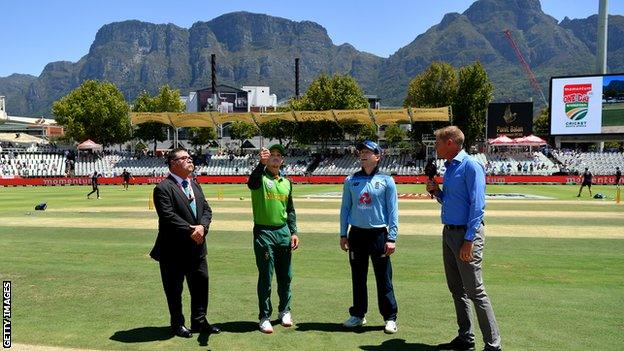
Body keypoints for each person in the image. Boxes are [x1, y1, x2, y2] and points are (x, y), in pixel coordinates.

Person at [426, 126, 502, 351]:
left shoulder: (471, 165)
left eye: (438, 143)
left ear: (450, 142)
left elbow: (478, 206)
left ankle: (493, 345)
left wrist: (469, 240)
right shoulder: (450, 168)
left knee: (475, 291)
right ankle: (466, 337)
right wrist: (437, 192)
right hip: (449, 232)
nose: (436, 147)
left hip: (466, 234)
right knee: (456, 289)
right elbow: (453, 201)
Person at [150, 148, 220, 338]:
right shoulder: (163, 188)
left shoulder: (194, 184)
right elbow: (168, 217)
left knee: (200, 286)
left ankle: (199, 322)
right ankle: (177, 324)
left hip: (197, 248)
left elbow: (207, 210)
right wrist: (192, 230)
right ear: (173, 163)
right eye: (185, 158)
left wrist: (203, 228)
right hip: (172, 250)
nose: (190, 160)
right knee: (174, 290)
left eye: (190, 157)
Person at [339, 140, 399, 334]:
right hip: (356, 234)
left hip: (379, 235)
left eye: (368, 151)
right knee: (358, 277)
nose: (363, 154)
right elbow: (345, 209)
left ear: (378, 156)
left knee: (384, 278)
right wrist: (342, 234)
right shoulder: (351, 180)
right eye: (361, 152)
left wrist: (391, 237)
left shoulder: (387, 180)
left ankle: (390, 318)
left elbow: (393, 212)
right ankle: (358, 314)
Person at [247, 144, 299, 334]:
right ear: (267, 160)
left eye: (279, 155)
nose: (275, 158)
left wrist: (293, 231)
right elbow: (251, 183)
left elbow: (290, 209)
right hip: (264, 233)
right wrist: (260, 164)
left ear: (283, 160)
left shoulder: (287, 182)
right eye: (272, 155)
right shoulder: (260, 178)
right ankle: (264, 316)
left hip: (283, 232)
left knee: (286, 276)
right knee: (266, 277)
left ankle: (285, 311)